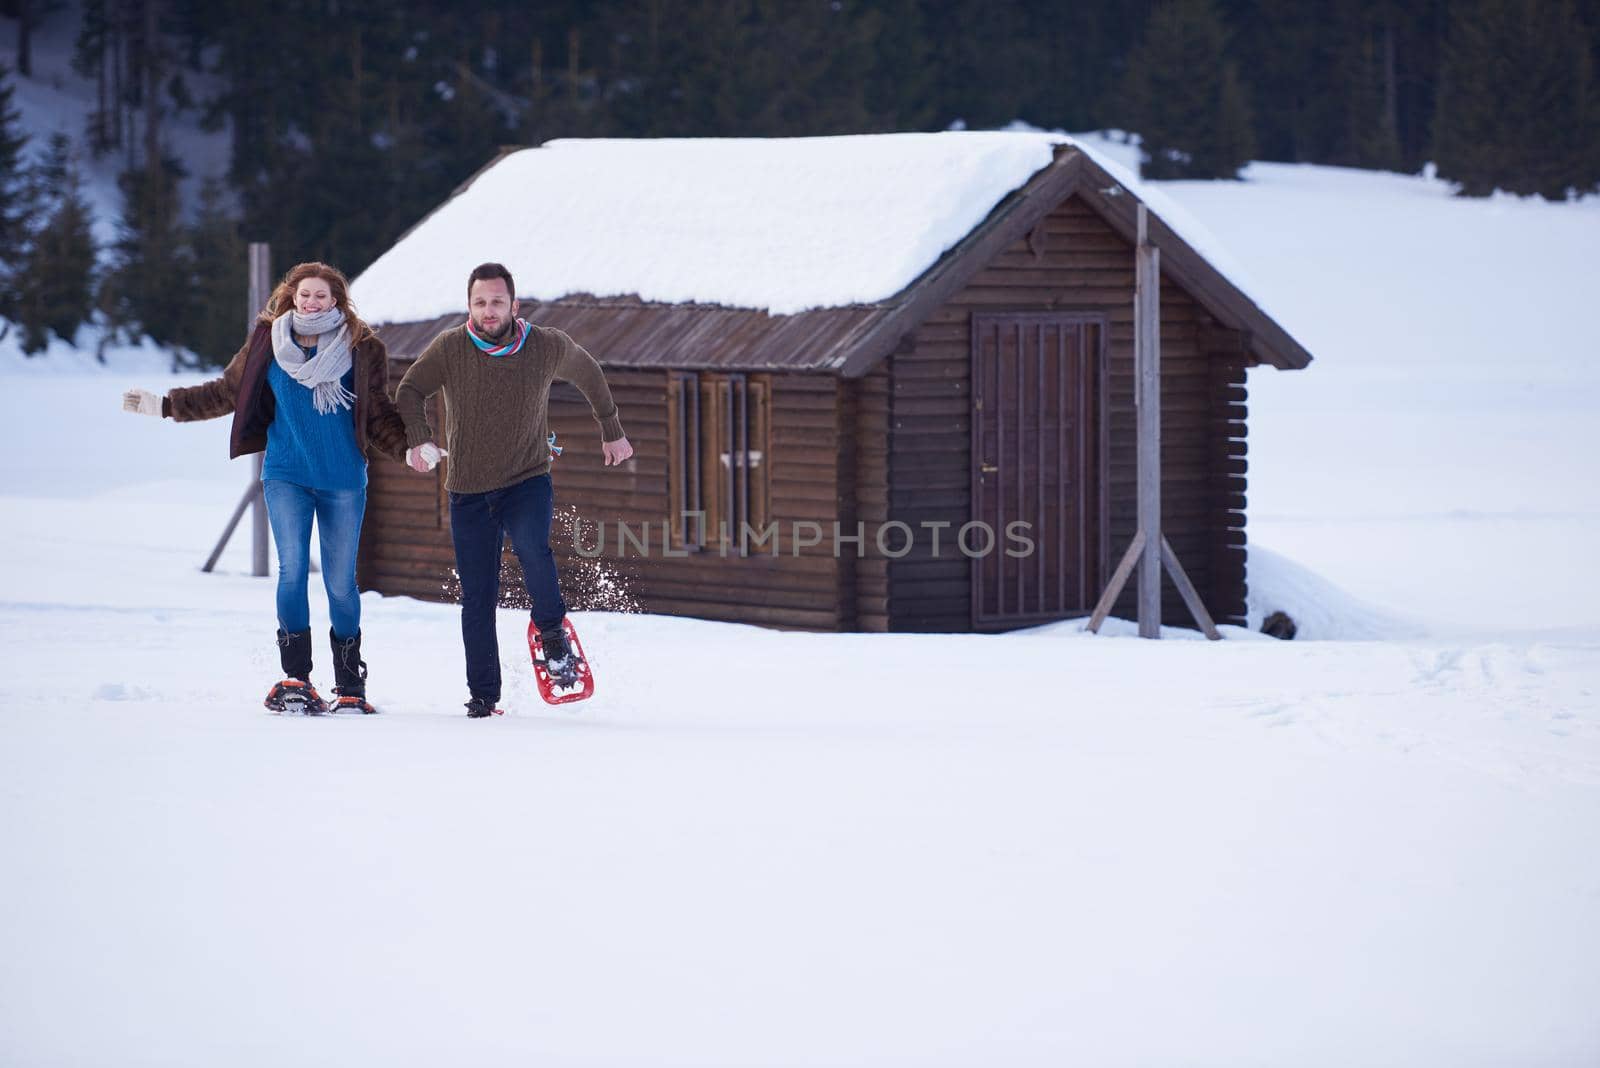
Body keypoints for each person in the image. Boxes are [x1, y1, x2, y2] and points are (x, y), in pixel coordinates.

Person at [121, 262, 409, 714]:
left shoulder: (362, 348)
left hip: (343, 481)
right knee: (292, 570)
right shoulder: (268, 343)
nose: (311, 302)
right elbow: (225, 392)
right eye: (304, 294)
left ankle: (351, 685)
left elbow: (378, 414)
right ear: (291, 296)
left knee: (340, 583)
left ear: (336, 300)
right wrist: (165, 406)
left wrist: (409, 449)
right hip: (286, 475)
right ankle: (297, 677)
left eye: (321, 295)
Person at [396, 262, 633, 718]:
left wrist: (612, 429)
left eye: (497, 302)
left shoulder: (545, 345)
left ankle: (552, 636)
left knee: (532, 548)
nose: (489, 311)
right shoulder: (449, 348)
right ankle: (483, 697)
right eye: (480, 302)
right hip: (467, 490)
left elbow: (589, 373)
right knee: (478, 597)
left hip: (527, 478)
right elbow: (410, 390)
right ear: (469, 305)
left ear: (513, 305)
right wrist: (418, 437)